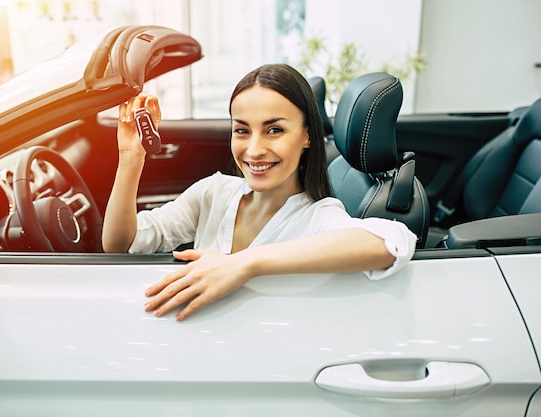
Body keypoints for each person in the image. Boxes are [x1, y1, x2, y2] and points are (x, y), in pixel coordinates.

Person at [102, 63, 417, 321]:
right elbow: (122, 244)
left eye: (274, 130)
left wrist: (243, 263)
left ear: (307, 136)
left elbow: (391, 242)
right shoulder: (212, 193)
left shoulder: (316, 216)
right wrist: (131, 158)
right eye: (242, 130)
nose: (254, 150)